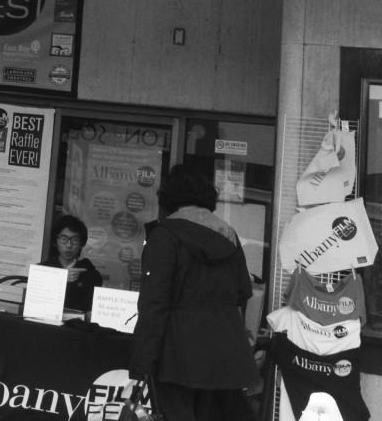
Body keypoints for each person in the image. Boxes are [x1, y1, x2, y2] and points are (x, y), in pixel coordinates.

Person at [130, 165, 257, 421]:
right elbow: (244, 290)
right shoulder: (229, 234)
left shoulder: (165, 234)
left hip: (177, 354)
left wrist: (142, 362)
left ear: (168, 197)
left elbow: (154, 303)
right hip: (225, 352)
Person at [47, 214, 102, 310]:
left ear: (82, 243)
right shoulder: (42, 270)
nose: (69, 245)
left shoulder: (91, 275)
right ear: (55, 241)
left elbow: (87, 309)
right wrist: (60, 280)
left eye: (74, 239)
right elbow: (38, 304)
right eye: (64, 239)